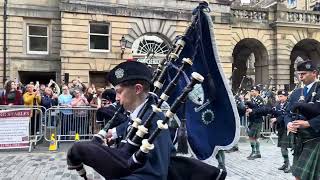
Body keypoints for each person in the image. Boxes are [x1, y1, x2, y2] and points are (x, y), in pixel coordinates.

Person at [67, 61, 174, 180]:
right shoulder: (141, 113)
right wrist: (114, 132)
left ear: (137, 89)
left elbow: (155, 175)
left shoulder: (154, 121)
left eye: (119, 92)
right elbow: (130, 124)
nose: (116, 98)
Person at [285, 60, 320, 180]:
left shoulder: (319, 89)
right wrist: (288, 123)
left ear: (314, 73)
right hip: (299, 140)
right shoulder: (296, 93)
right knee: (298, 175)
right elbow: (287, 112)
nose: (300, 77)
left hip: (315, 138)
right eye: (299, 74)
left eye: (304, 74)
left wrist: (308, 123)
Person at [270, 90, 293, 173]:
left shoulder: (289, 104)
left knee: (284, 147)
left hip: (287, 128)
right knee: (282, 147)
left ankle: (289, 165)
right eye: (279, 96)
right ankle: (285, 163)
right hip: (280, 128)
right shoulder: (278, 105)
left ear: (286, 97)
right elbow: (275, 113)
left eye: (282, 96)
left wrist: (276, 119)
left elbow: (286, 115)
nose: (280, 98)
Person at [245, 85, 269, 160]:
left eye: (253, 91)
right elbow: (251, 107)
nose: (251, 92)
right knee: (254, 137)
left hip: (257, 120)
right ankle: (256, 152)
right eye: (251, 91)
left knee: (252, 136)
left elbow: (262, 110)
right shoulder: (253, 99)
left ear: (257, 92)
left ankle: (255, 152)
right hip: (252, 119)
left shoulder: (260, 99)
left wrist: (252, 110)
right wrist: (248, 111)